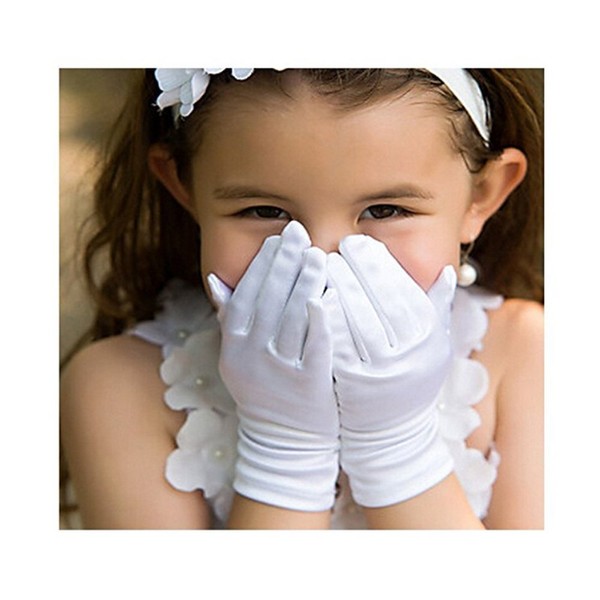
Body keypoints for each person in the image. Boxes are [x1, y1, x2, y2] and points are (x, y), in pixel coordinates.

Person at [60, 68, 543, 529]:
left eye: (385, 210)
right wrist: (284, 452)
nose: (321, 261)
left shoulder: (528, 353)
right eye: (264, 211)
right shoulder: (117, 386)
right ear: (184, 187)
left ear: (482, 194)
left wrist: (398, 449)